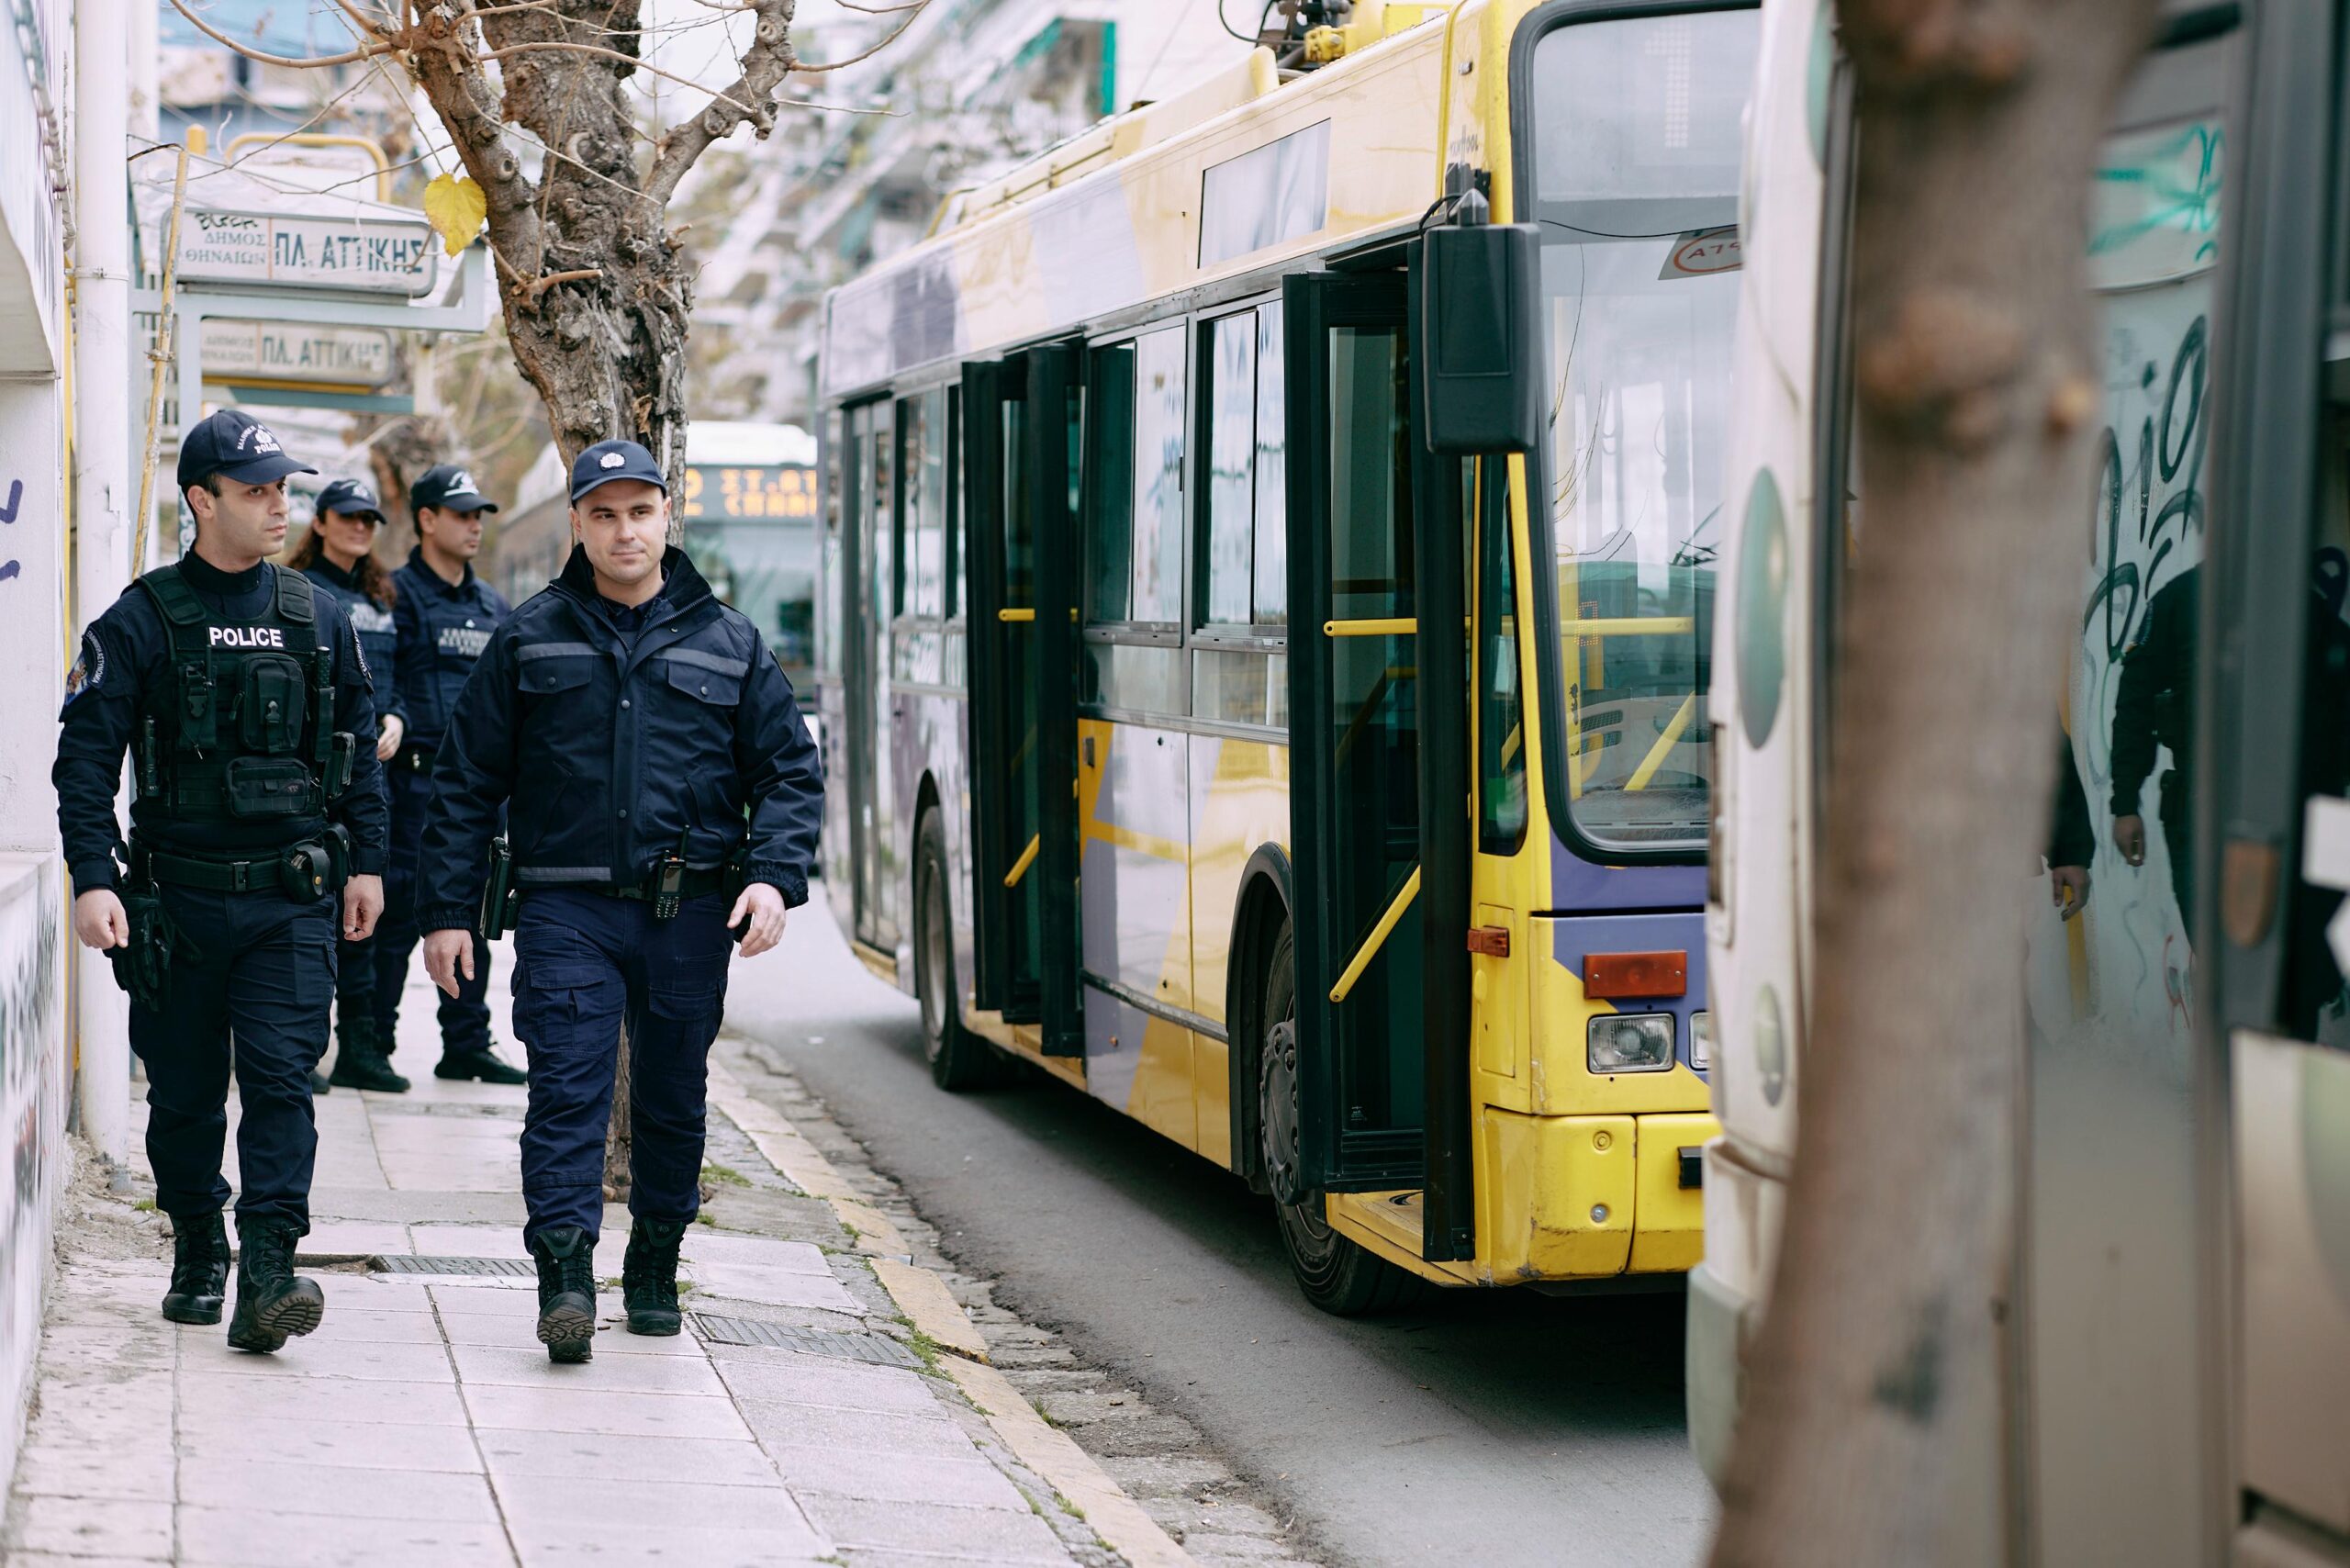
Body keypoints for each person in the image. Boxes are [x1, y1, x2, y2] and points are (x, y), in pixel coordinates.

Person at [416, 439, 822, 1363]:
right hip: (567, 911)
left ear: (665, 516)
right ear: (578, 525)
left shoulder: (729, 640)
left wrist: (771, 876)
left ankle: (654, 1260)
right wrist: (445, 911)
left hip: (692, 914)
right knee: (567, 1091)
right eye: (603, 513)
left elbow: (790, 772)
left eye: (639, 511)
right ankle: (564, 1273)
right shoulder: (529, 635)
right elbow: (465, 781)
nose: (623, 529)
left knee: (673, 1103)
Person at [53, 409, 387, 1352]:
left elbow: (359, 753)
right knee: (189, 1095)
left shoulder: (319, 615)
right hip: (178, 903)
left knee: (284, 1079)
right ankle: (201, 1242)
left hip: (291, 898)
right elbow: (86, 760)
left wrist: (368, 867)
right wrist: (94, 875)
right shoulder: (142, 618)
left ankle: (272, 1268)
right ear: (202, 500)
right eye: (257, 491)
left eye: (284, 489)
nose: (281, 506)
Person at [377, 464, 525, 1084]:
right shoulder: (393, 595)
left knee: (472, 913)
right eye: (461, 515)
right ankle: (369, 1044)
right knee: (396, 920)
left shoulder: (494, 606)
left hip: (477, 792)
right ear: (427, 520)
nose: (473, 527)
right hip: (411, 783)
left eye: (478, 516)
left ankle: (465, 1042)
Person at [287, 477, 408, 1094]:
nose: (362, 528)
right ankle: (302, 1051)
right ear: (323, 521)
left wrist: (396, 718)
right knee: (314, 916)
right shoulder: (302, 592)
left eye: (370, 520)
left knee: (367, 920)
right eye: (351, 517)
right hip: (316, 777)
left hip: (373, 775)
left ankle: (361, 1049)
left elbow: (405, 677)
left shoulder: (384, 595)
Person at [2111, 566, 2199, 927]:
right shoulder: (2183, 597)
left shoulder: (2293, 596)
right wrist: (2126, 803)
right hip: (2200, 802)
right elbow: (2136, 703)